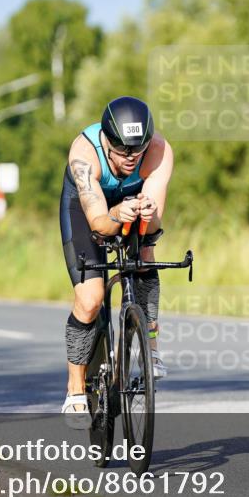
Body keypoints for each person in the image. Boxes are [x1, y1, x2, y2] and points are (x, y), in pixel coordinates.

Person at [58, 96, 174, 426]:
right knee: (91, 298)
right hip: (87, 208)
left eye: (137, 151)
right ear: (107, 141)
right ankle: (76, 389)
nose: (130, 158)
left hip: (129, 202)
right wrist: (114, 214)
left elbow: (153, 225)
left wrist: (146, 215)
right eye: (123, 151)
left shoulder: (160, 151)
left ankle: (150, 346)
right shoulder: (83, 154)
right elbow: (98, 223)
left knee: (146, 256)